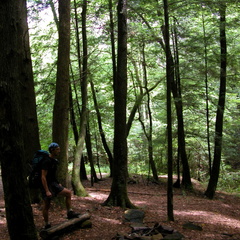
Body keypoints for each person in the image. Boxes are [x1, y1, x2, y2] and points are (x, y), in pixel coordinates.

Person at [40, 142, 79, 229]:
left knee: (68, 193)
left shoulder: (54, 161)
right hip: (46, 185)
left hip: (53, 184)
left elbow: (52, 175)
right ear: (52, 150)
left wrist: (57, 183)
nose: (59, 151)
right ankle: (47, 224)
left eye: (59, 149)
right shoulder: (46, 161)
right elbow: (43, 176)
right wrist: (47, 190)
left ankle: (70, 213)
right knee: (47, 205)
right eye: (57, 149)